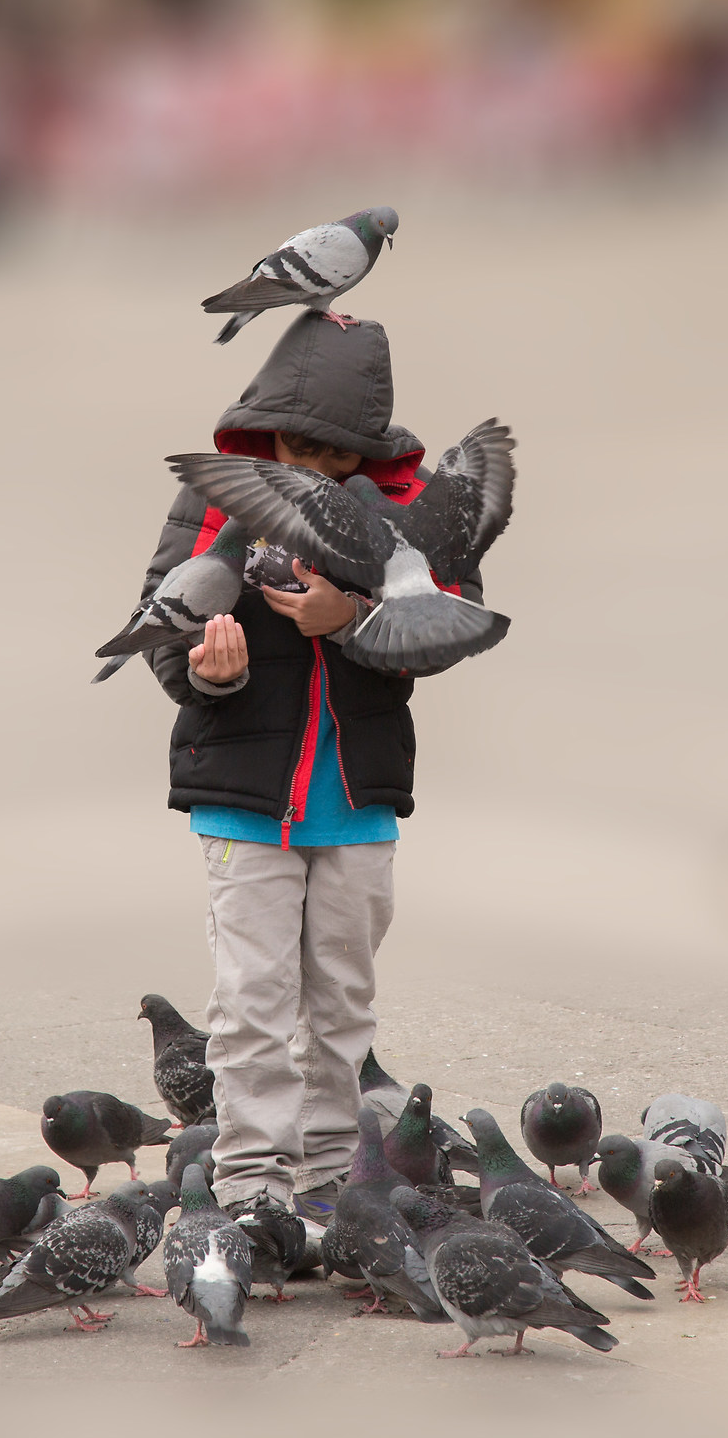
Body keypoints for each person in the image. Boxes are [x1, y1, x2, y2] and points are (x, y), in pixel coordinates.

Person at [133, 311, 486, 1219]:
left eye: (337, 456)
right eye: (294, 445)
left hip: (359, 803)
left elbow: (449, 625)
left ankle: (336, 1181)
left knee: (341, 1008)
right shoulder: (218, 498)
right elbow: (162, 634)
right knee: (251, 1002)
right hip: (241, 802)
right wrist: (214, 674)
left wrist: (353, 621)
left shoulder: (408, 511)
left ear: (368, 451)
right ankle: (252, 1185)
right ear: (262, 427)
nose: (313, 468)